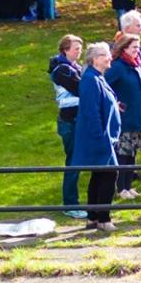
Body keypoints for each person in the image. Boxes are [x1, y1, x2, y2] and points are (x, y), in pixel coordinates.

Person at [73, 42, 123, 227]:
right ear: (94, 59)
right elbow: (91, 111)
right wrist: (101, 138)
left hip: (104, 137)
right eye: (104, 55)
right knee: (109, 175)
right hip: (101, 139)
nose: (109, 57)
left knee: (99, 175)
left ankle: (93, 217)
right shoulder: (90, 80)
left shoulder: (97, 78)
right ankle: (103, 218)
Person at [108, 33, 141, 197]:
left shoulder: (136, 64)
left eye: (138, 47)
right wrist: (115, 103)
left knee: (133, 153)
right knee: (123, 154)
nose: (137, 50)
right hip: (125, 118)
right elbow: (105, 86)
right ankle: (120, 188)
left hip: (138, 116)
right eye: (134, 47)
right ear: (124, 48)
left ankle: (128, 186)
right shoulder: (117, 66)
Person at [48, 33, 85, 215]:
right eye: (76, 49)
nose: (79, 52)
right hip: (69, 120)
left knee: (77, 161)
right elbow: (81, 89)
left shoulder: (74, 67)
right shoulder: (61, 70)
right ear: (65, 50)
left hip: (77, 119)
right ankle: (70, 204)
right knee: (73, 162)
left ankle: (73, 203)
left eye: (80, 49)